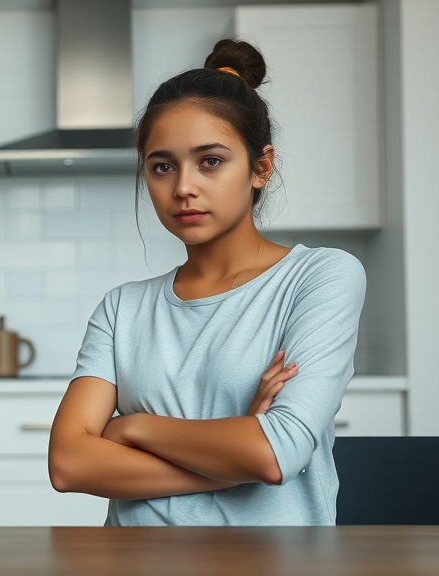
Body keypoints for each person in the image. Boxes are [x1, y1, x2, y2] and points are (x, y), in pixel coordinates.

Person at [47, 39, 365, 526]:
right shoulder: (122, 308)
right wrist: (227, 464)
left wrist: (132, 427)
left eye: (210, 161)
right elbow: (69, 464)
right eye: (162, 166)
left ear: (261, 168)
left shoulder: (320, 277)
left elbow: (275, 454)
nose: (183, 187)